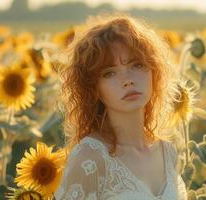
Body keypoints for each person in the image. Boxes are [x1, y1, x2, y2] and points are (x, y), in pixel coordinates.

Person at [54, 12, 187, 200]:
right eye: (109, 73)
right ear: (94, 89)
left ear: (153, 71)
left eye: (136, 65)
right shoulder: (90, 157)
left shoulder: (168, 153)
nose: (127, 81)